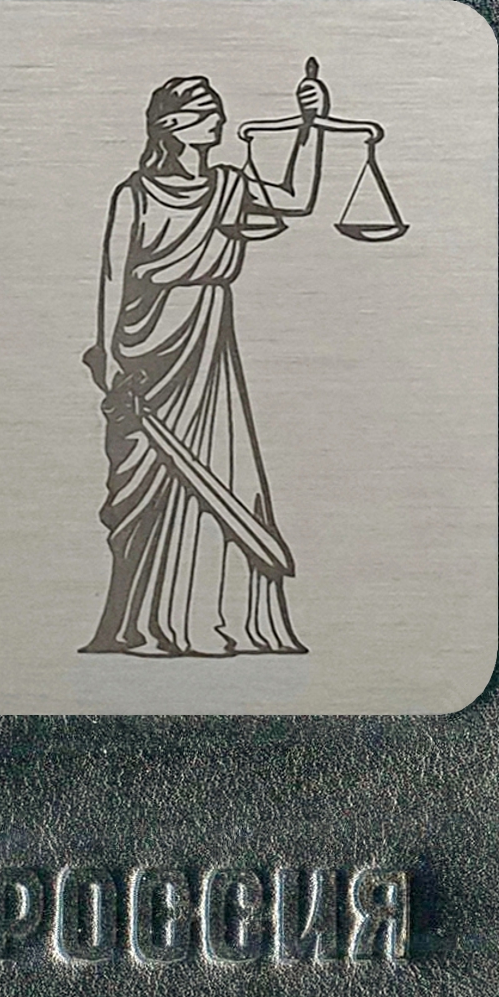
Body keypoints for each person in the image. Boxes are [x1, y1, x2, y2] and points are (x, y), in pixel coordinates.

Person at [80, 67, 325, 657]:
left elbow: (296, 200)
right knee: (143, 479)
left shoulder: (231, 185)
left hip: (207, 337)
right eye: (203, 112)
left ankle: (217, 617)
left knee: (220, 462)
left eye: (216, 110)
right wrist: (106, 359)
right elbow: (113, 276)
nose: (216, 119)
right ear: (171, 126)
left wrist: (310, 126)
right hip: (145, 350)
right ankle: (139, 623)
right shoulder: (134, 194)